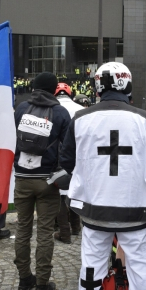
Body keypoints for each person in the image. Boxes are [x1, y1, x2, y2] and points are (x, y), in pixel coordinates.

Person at [61, 62, 146, 290]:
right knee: (141, 267)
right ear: (128, 86)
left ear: (97, 86)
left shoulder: (80, 119)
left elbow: (67, 159)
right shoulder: (144, 120)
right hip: (134, 209)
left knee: (92, 265)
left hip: (93, 207)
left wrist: (93, 176)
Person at [13, 72, 71, 290]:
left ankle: (24, 278)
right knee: (45, 232)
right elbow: (67, 150)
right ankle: (42, 285)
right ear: (55, 89)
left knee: (23, 229)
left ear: (34, 87)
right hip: (47, 179)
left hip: (22, 177)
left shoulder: (20, 108)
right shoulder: (60, 112)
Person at [53, 82, 83, 244]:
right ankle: (76, 226)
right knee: (74, 191)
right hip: (79, 157)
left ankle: (64, 231)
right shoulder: (81, 109)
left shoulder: (54, 109)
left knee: (60, 195)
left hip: (59, 156)